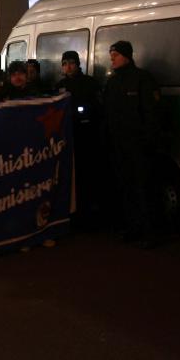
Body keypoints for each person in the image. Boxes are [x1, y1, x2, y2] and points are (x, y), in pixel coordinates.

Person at [103, 41, 161, 249]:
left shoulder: (142, 79)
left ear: (126, 56)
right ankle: (132, 227)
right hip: (120, 145)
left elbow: (151, 114)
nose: (112, 59)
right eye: (111, 55)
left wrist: (147, 140)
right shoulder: (112, 82)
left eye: (115, 55)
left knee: (144, 188)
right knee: (126, 187)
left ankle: (151, 231)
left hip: (139, 145)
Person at [54, 51, 102, 228]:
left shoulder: (89, 83)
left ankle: (90, 213)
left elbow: (97, 107)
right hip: (68, 138)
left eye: (71, 63)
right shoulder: (59, 86)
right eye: (64, 63)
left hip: (86, 136)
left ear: (78, 64)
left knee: (87, 173)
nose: (68, 67)